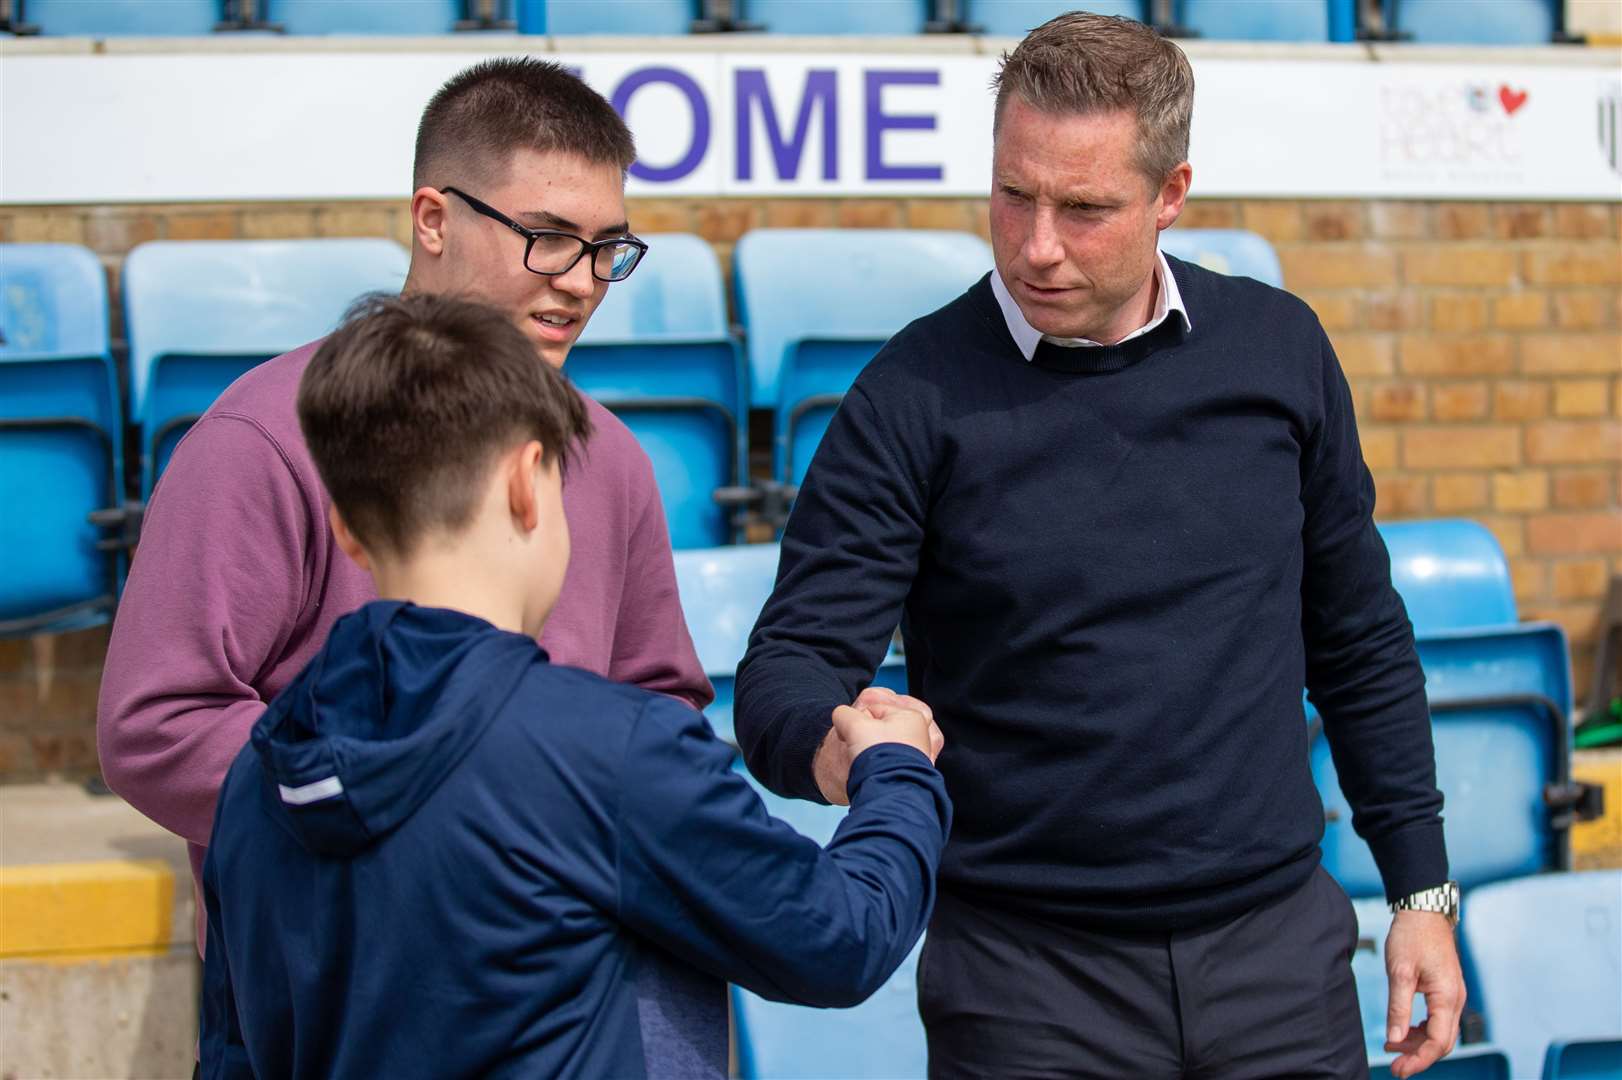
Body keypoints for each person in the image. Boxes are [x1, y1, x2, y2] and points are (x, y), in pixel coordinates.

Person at [734, 13, 1464, 1080]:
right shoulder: (909, 396)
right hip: (1023, 985)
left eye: (1083, 210)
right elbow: (785, 672)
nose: (1035, 245)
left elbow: (1356, 640)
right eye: (1011, 195)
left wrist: (1419, 891)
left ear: (1169, 194)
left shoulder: (1278, 351)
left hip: (1276, 963)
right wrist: (838, 750)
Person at [197, 293, 950, 1079]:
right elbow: (841, 938)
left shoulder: (260, 768)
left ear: (346, 526)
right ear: (529, 482)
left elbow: (231, 1051)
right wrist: (896, 772)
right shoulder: (611, 751)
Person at [98, 58, 711, 943]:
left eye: (606, 247)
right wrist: (422, 799)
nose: (581, 280)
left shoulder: (609, 455)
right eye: (546, 236)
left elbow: (664, 702)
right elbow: (156, 726)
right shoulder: (263, 437)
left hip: (556, 982)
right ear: (433, 220)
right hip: (326, 991)